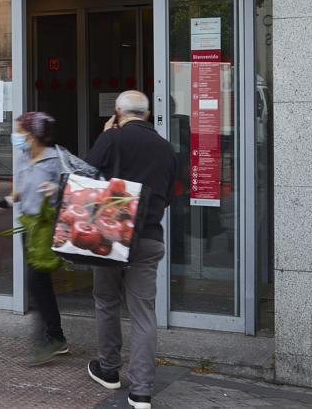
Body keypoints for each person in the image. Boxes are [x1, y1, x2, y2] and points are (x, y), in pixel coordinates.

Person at [84, 90, 177, 409]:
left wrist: (105, 137)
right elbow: (172, 191)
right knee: (143, 313)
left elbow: (85, 176)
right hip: (149, 235)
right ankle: (141, 391)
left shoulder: (113, 138)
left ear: (118, 112)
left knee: (107, 300)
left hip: (111, 232)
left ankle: (109, 369)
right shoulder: (166, 148)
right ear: (148, 115)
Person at [1, 111, 68, 366]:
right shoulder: (24, 156)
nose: (16, 135)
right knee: (40, 284)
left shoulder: (55, 160)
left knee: (36, 282)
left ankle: (48, 340)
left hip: (46, 228)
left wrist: (57, 189)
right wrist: (7, 201)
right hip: (28, 227)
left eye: (19, 130)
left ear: (31, 135)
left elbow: (77, 186)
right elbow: (19, 191)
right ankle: (56, 336)